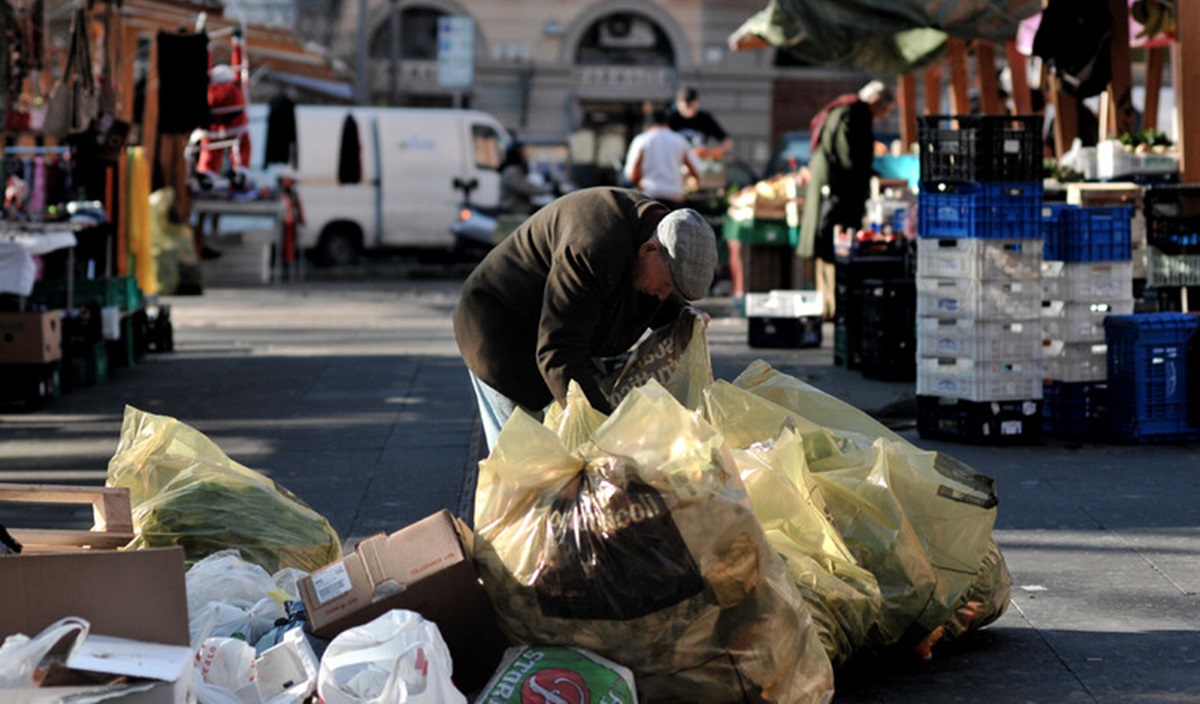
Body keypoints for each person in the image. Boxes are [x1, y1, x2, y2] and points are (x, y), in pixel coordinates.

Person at [453, 186, 718, 450]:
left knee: (562, 460)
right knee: (524, 463)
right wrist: (610, 429)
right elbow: (559, 354)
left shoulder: (650, 230)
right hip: (499, 329)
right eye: (667, 285)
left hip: (552, 333)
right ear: (649, 249)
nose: (663, 296)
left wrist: (683, 316)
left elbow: (659, 283)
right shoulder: (592, 247)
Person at [798, 79, 896, 318]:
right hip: (839, 193)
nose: (882, 118)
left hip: (829, 189)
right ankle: (834, 306)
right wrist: (873, 176)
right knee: (835, 248)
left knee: (826, 248)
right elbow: (850, 159)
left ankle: (828, 306)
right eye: (884, 111)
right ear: (875, 102)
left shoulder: (842, 109)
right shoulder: (856, 113)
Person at [623, 107, 702, 207]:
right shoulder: (679, 140)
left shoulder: (641, 140)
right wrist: (688, 187)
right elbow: (695, 170)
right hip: (674, 195)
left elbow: (632, 175)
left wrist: (640, 184)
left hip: (649, 195)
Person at [668, 86, 734, 159]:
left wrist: (712, 152)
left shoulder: (704, 118)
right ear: (679, 104)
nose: (690, 111)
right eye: (687, 107)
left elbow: (727, 141)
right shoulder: (672, 118)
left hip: (698, 162)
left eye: (692, 106)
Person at [499, 141, 555, 216]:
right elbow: (526, 188)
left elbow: (528, 184)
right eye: (523, 153)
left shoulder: (515, 169)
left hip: (521, 207)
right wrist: (549, 189)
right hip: (515, 210)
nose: (526, 156)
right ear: (517, 155)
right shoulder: (511, 171)